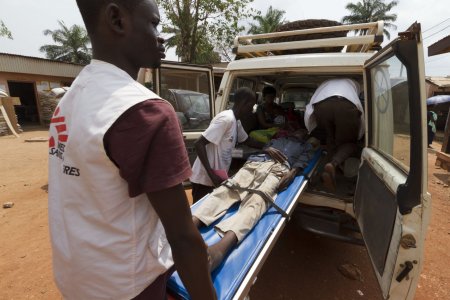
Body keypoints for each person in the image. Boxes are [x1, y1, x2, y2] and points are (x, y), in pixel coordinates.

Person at [48, 1, 216, 299]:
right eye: (153, 24)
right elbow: (182, 239)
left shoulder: (71, 100)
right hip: (128, 287)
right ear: (116, 19)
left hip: (76, 281)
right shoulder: (144, 111)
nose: (160, 35)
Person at [192, 130, 318, 271]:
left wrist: (292, 173)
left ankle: (220, 249)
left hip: (278, 170)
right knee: (226, 190)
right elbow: (264, 148)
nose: (297, 131)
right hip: (256, 163)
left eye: (300, 130)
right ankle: (191, 226)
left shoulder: (306, 146)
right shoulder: (277, 139)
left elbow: (303, 160)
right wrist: (268, 148)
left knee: (257, 202)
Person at [190, 87, 265, 203]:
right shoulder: (226, 119)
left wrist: (267, 147)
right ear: (244, 103)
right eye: (251, 106)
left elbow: (247, 140)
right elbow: (199, 143)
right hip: (204, 179)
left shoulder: (236, 121)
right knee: (199, 213)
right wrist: (211, 175)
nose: (252, 110)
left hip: (217, 178)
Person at [304, 78, 364, 192]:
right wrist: (360, 134)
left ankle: (326, 173)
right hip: (345, 105)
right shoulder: (356, 84)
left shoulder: (325, 83)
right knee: (349, 143)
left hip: (321, 106)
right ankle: (333, 164)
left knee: (330, 139)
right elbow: (357, 103)